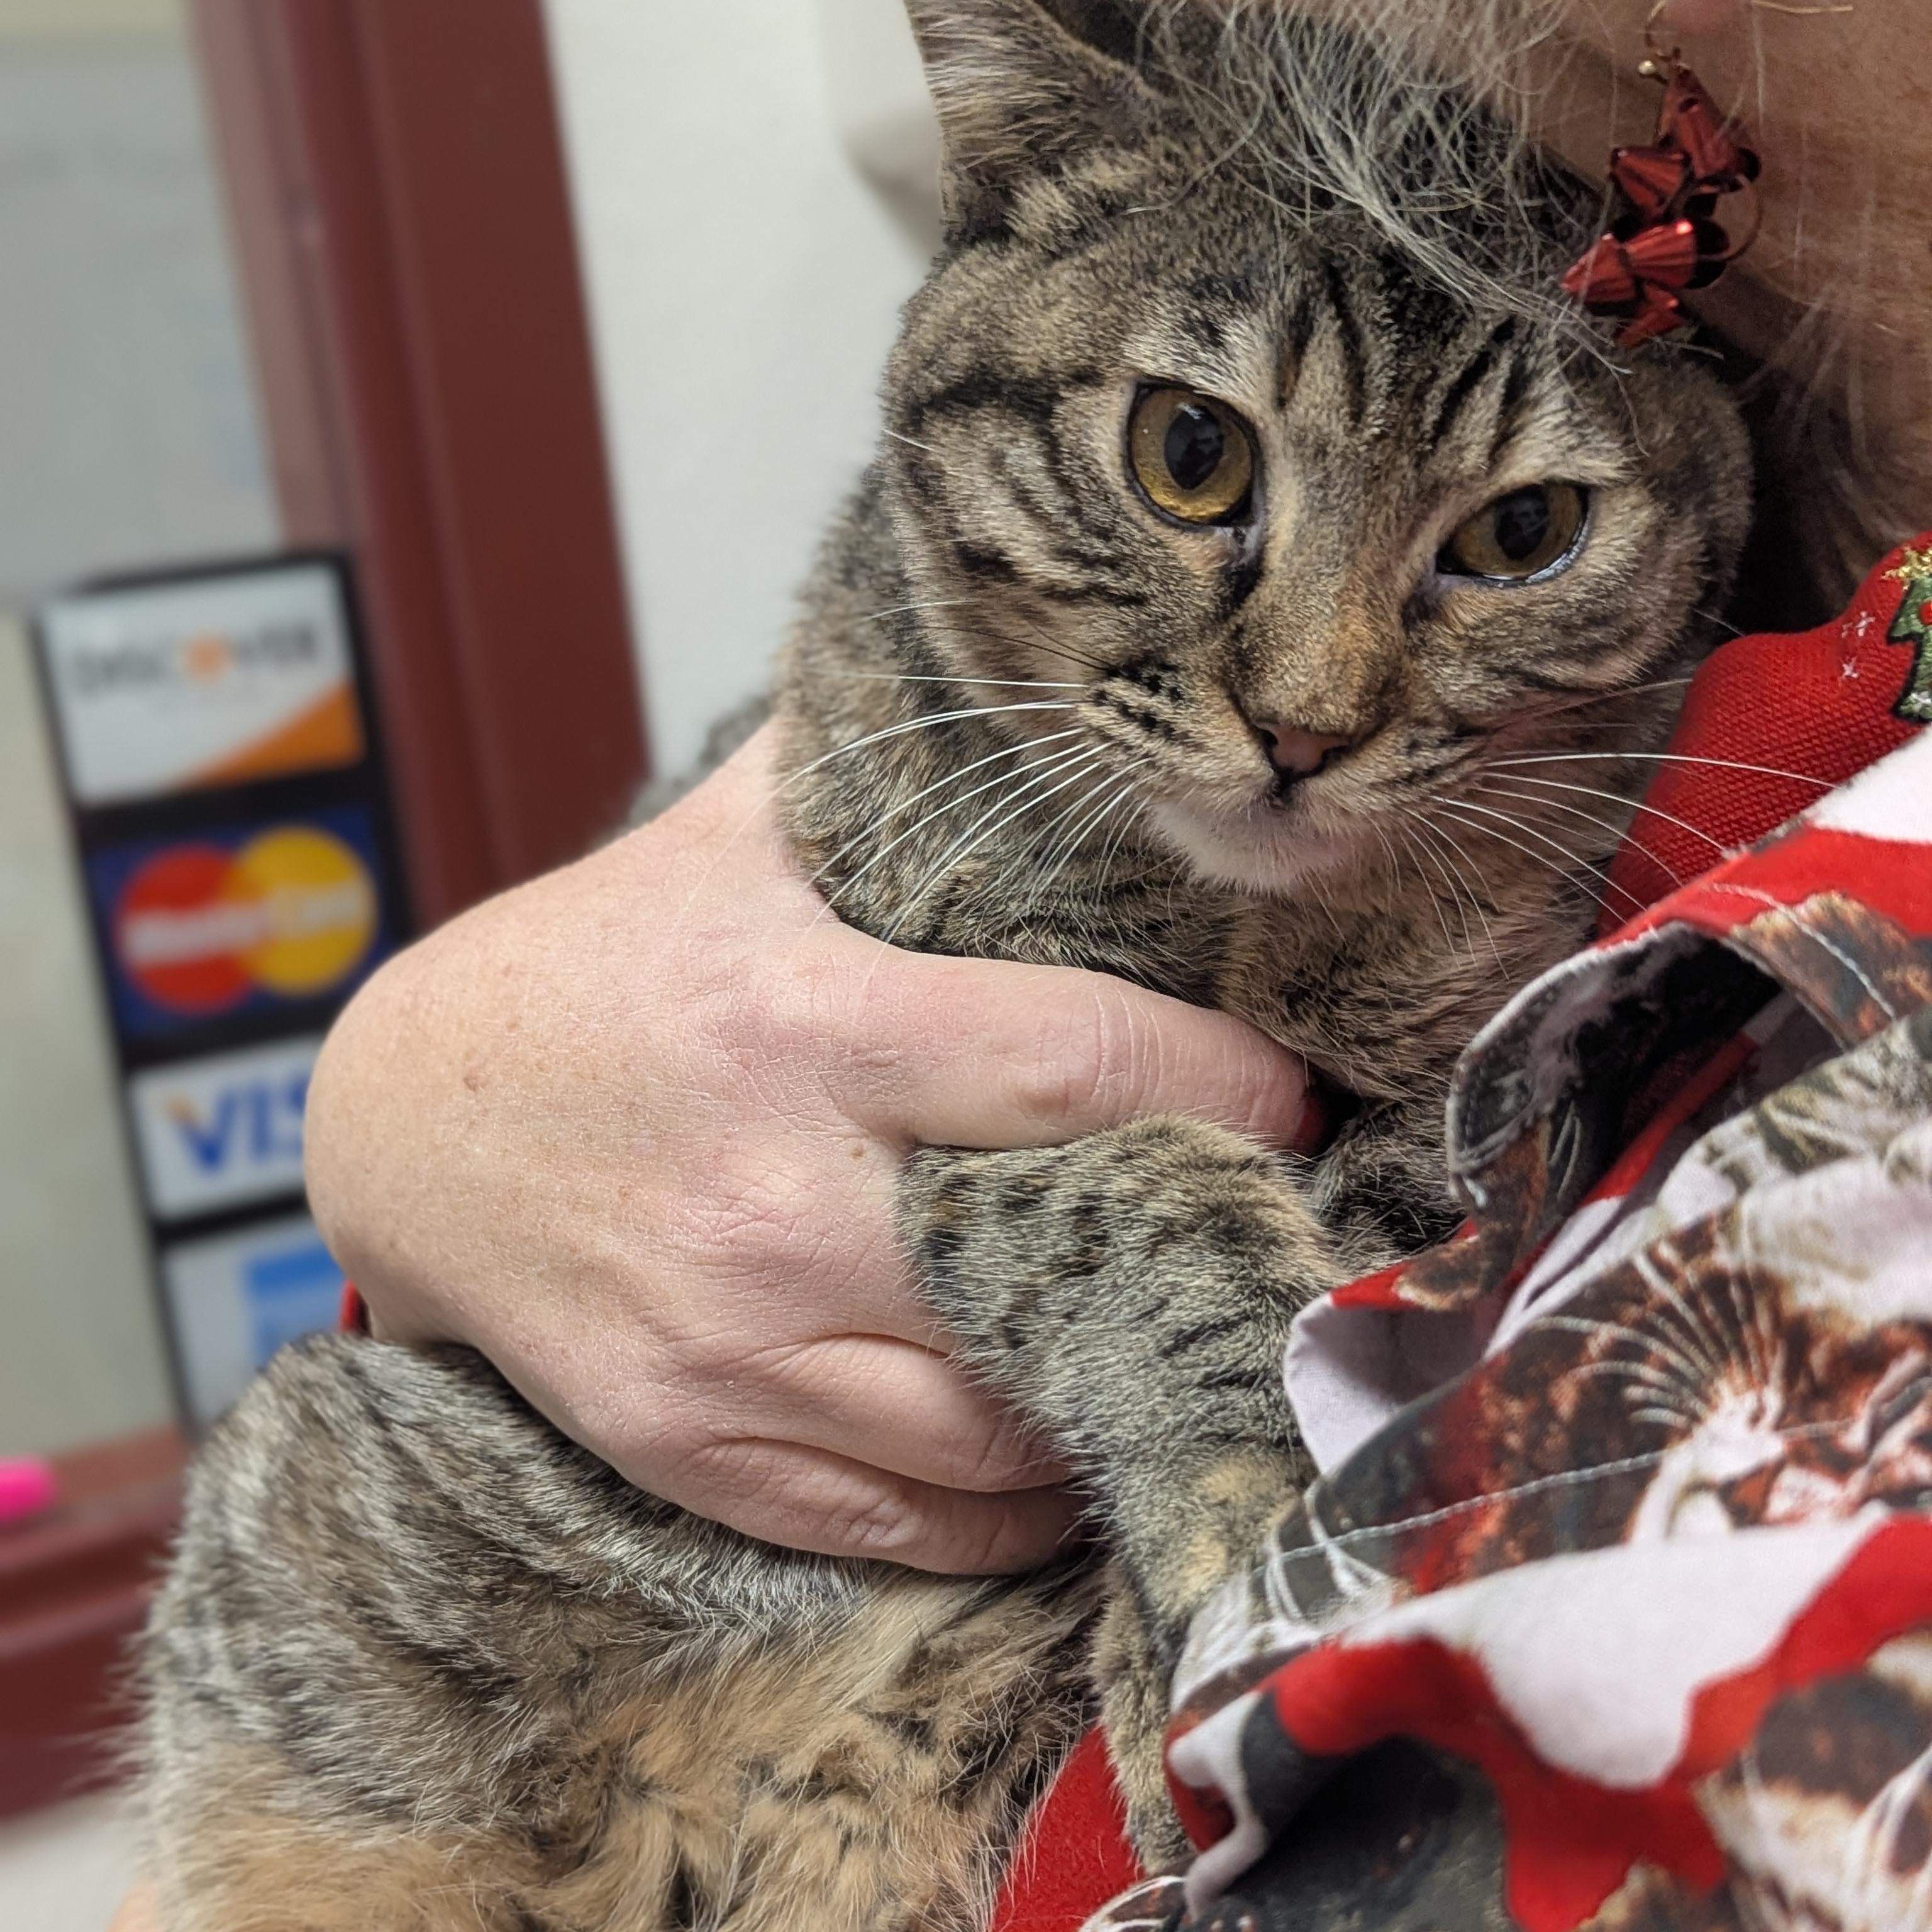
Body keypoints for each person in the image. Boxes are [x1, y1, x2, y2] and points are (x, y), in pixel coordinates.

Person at [109, 0, 1928, 1924]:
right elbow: (884, 1113)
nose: (1307, 700)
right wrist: (402, 1082)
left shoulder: (1729, 759)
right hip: (476, 1716)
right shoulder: (914, 720)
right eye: (1191, 458)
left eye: (1522, 529)